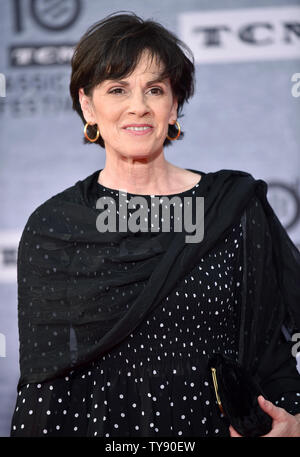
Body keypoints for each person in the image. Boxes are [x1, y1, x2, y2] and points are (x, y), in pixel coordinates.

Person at [10, 12, 300, 437]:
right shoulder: (55, 227)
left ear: (174, 105)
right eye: (117, 89)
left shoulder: (233, 208)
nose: (138, 106)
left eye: (155, 89)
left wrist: (293, 422)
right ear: (88, 105)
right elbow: (44, 383)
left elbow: (273, 350)